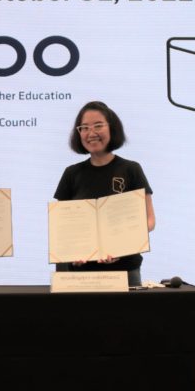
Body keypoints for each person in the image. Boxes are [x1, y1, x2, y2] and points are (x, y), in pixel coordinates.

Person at [54, 101, 155, 286]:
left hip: (125, 270)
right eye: (84, 128)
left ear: (112, 128)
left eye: (98, 125)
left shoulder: (131, 169)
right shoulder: (71, 174)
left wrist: (121, 247)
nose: (91, 133)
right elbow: (62, 227)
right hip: (81, 274)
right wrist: (73, 251)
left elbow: (149, 220)